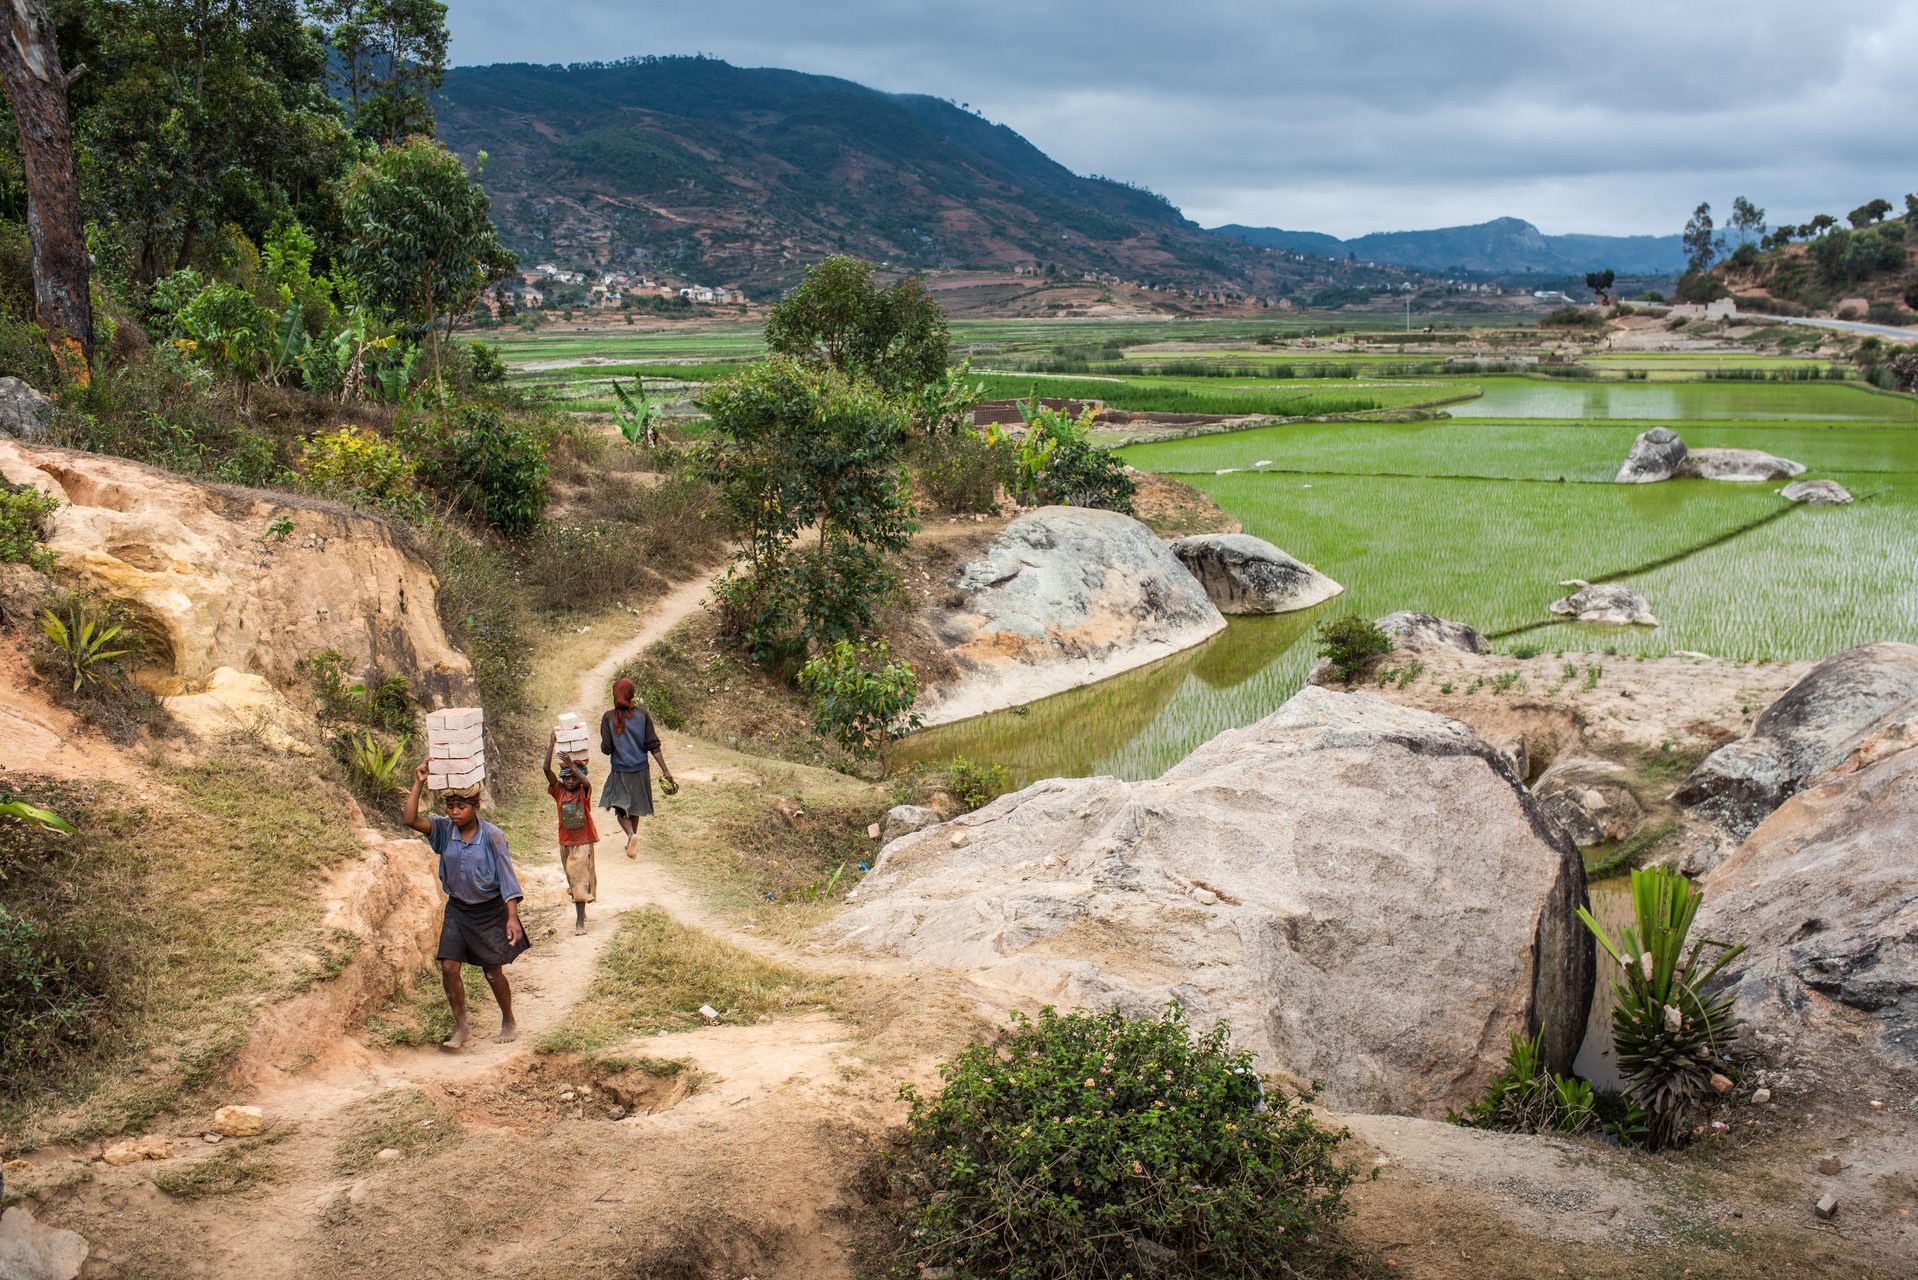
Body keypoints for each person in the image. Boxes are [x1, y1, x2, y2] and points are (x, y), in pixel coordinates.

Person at [403, 761, 529, 1050]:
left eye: (462, 806)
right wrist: (419, 781)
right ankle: (462, 1027)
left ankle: (508, 1018)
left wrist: (512, 918)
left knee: (492, 972)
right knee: (448, 967)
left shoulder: (493, 837)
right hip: (458, 909)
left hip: (489, 911)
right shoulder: (444, 830)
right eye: (450, 806)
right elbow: (410, 819)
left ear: (476, 806)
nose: (455, 812)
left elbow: (508, 879)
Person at [600, 676, 674, 859]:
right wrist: (665, 770)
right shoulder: (643, 715)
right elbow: (653, 745)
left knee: (620, 808)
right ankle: (631, 839)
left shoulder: (608, 717)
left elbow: (607, 749)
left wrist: (608, 743)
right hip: (641, 769)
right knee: (636, 807)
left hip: (620, 770)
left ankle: (631, 835)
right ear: (631, 694)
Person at [544, 731, 599, 935]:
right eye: (565, 778)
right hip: (565, 843)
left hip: (583, 841)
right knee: (571, 879)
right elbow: (545, 769)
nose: (569, 781)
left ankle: (579, 923)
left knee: (577, 878)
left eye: (572, 778)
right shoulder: (559, 792)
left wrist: (572, 764)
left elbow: (585, 782)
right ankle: (582, 908)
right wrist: (551, 745)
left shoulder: (583, 792)